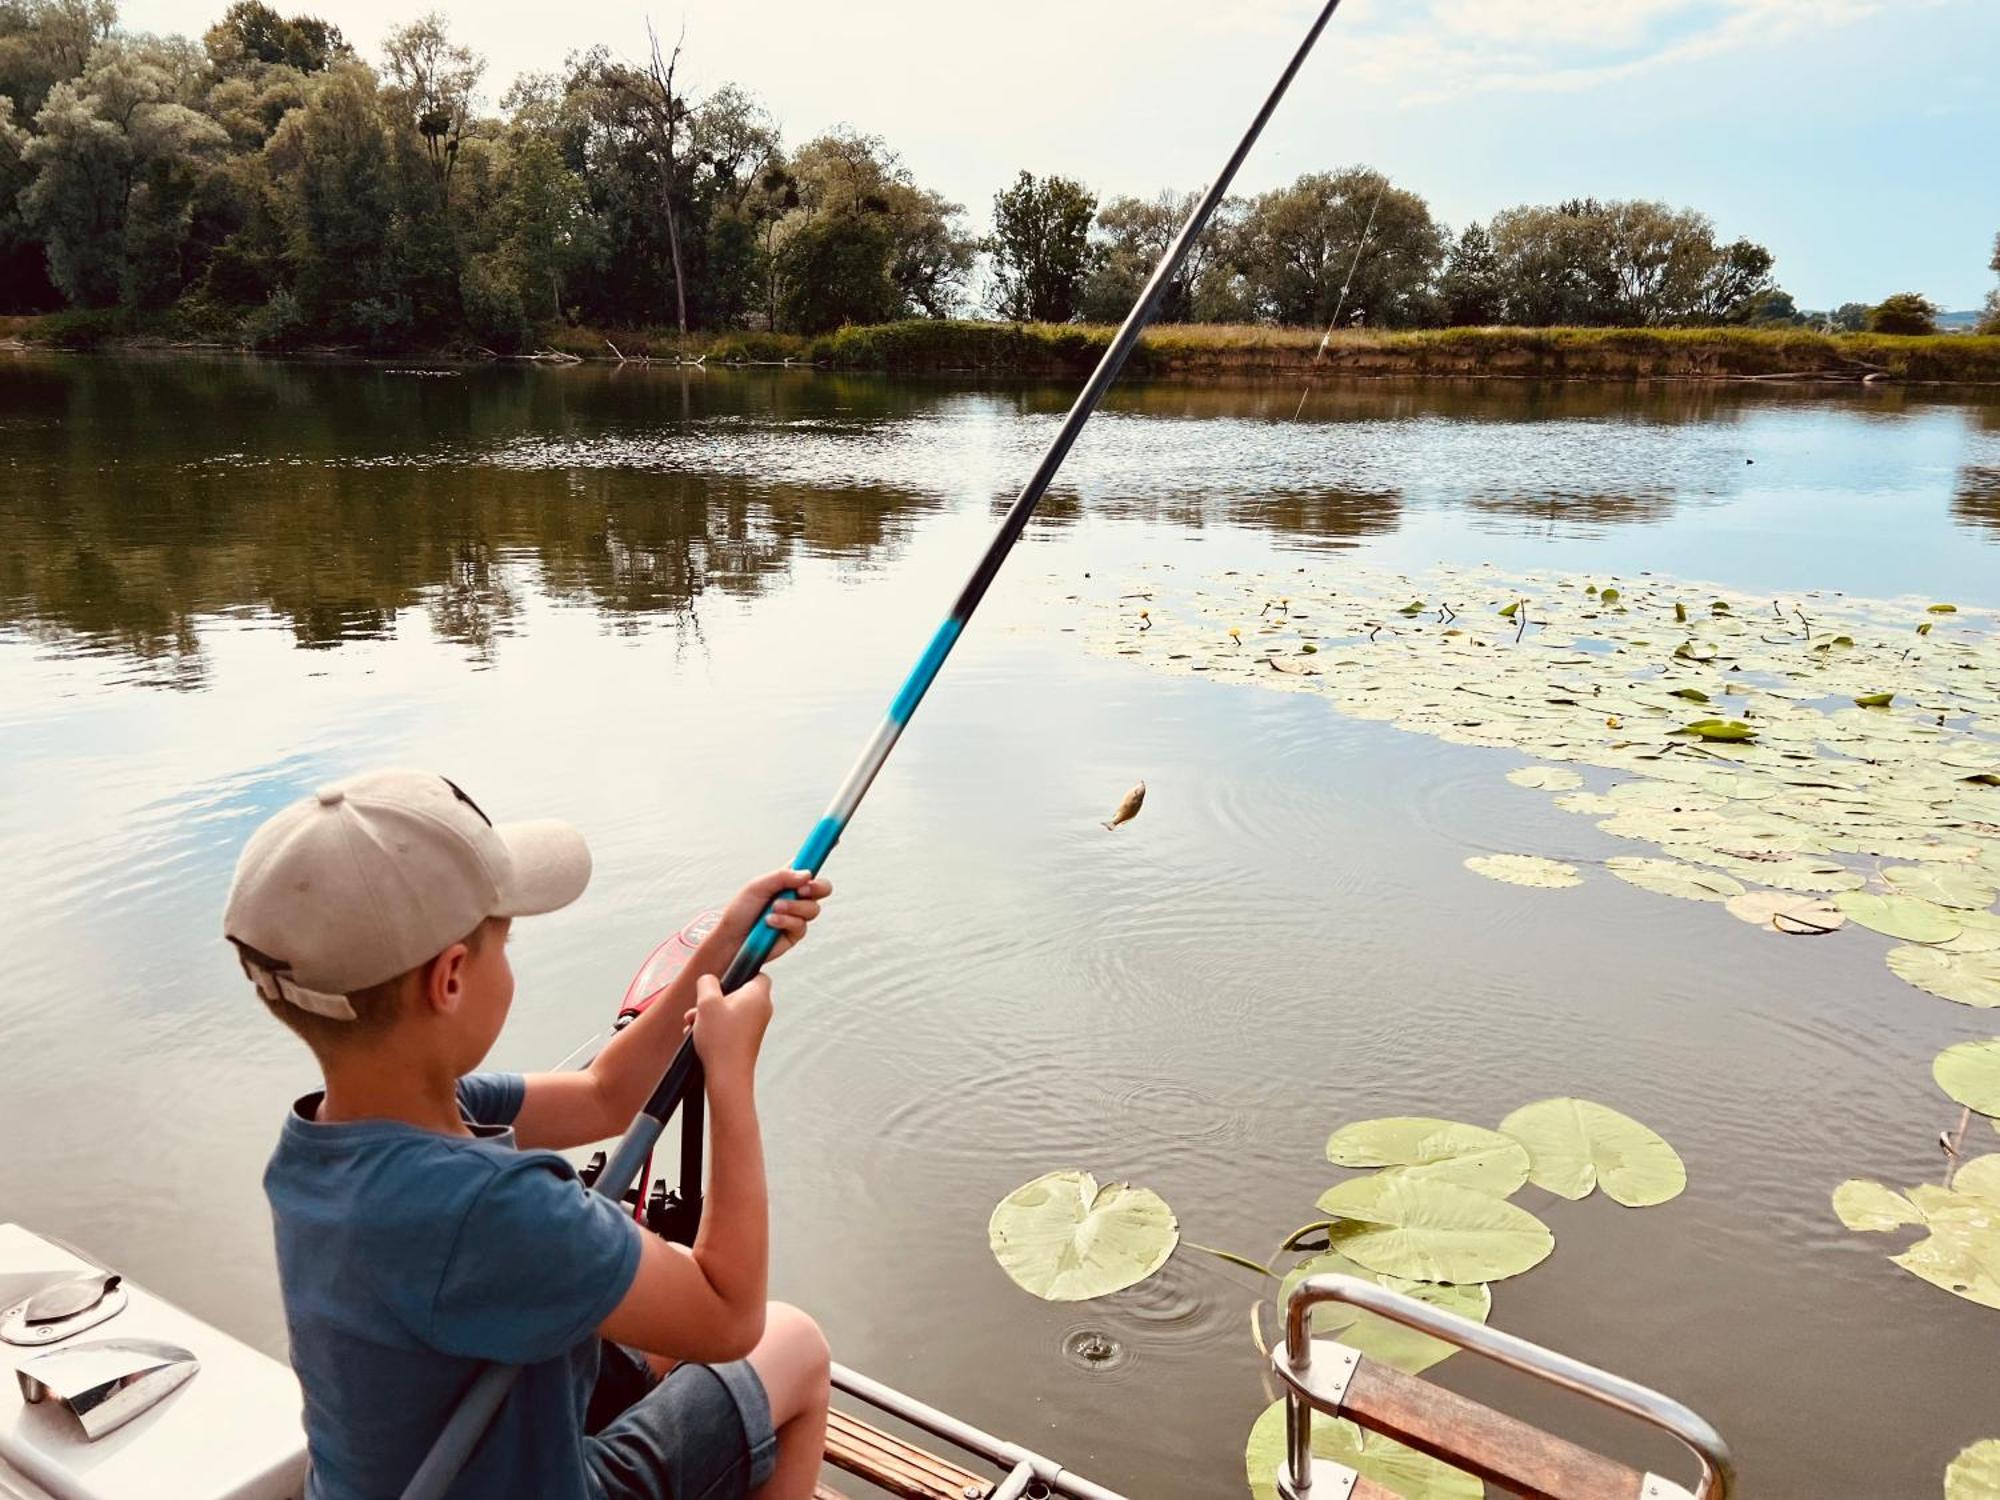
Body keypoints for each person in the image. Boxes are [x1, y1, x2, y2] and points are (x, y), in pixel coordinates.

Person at [223, 768, 833, 1500]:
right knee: (791, 1343)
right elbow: (730, 1316)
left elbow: (606, 1095)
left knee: (651, 1319)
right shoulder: (490, 1206)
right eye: (502, 944)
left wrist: (728, 944)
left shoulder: (332, 1140)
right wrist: (730, 1078)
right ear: (450, 978)